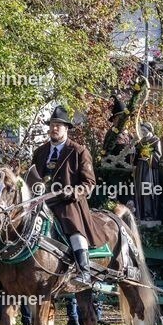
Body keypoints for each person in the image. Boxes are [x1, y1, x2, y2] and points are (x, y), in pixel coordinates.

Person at [32, 106, 108, 286]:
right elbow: (32, 178)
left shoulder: (79, 151)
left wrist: (73, 192)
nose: (54, 128)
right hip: (42, 202)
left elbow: (89, 183)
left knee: (73, 226)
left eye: (59, 125)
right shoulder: (40, 152)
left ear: (66, 128)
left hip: (68, 203)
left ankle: (84, 271)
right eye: (52, 124)